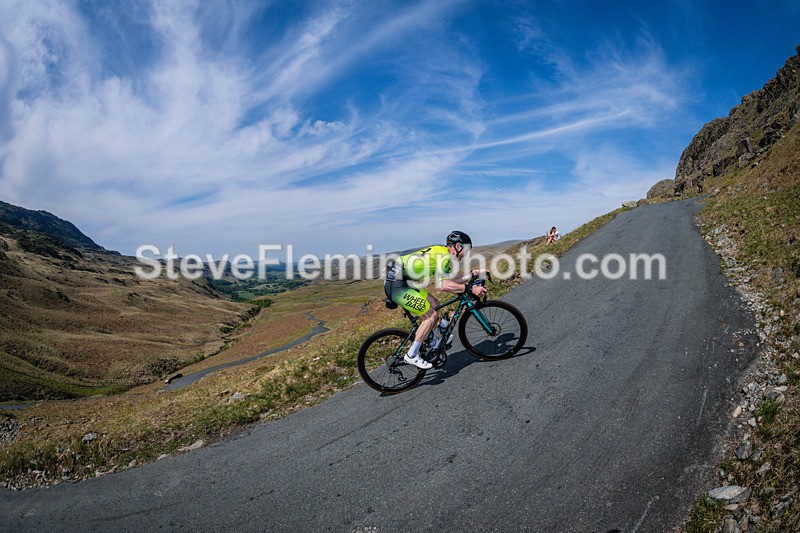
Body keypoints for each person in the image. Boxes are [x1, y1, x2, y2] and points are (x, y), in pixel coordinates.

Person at [384, 230, 487, 369]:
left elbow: (449, 281)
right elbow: (444, 286)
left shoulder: (442, 253)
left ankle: (433, 339)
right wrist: (470, 288)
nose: (465, 254)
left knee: (434, 303)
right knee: (430, 316)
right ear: (458, 246)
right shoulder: (444, 257)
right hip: (397, 283)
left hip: (404, 279)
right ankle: (411, 355)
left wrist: (471, 274)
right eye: (466, 250)